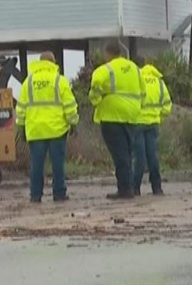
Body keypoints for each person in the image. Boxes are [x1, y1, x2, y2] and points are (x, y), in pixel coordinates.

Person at [15, 52, 79, 203]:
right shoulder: (59, 80)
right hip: (57, 130)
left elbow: (21, 107)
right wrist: (73, 123)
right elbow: (69, 105)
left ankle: (35, 195)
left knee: (36, 165)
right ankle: (59, 193)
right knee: (57, 164)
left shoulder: (28, 82)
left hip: (36, 130)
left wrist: (21, 127)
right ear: (53, 62)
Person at [89, 41, 145, 200]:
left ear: (107, 53)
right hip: (132, 115)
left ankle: (125, 189)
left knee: (120, 154)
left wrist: (96, 101)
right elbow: (143, 91)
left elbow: (95, 90)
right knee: (127, 153)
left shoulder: (105, 70)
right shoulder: (135, 69)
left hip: (112, 116)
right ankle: (128, 186)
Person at [132, 57, 172, 196]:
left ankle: (135, 187)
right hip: (153, 123)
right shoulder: (159, 82)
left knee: (139, 158)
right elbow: (167, 106)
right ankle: (157, 187)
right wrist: (158, 115)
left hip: (137, 123)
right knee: (152, 156)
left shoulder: (136, 80)